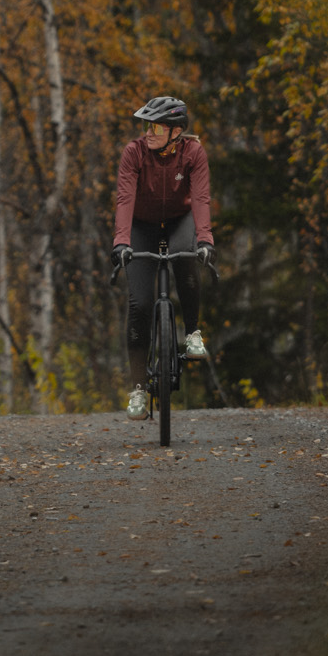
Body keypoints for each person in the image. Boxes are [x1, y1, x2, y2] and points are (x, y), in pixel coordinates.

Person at [112, 95, 214, 419]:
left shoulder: (193, 153)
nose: (148, 132)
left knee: (186, 258)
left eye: (155, 125)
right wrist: (121, 242)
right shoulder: (134, 152)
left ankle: (193, 333)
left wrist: (205, 240)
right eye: (146, 124)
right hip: (141, 226)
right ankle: (139, 390)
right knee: (139, 304)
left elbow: (200, 198)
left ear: (175, 131)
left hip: (178, 222)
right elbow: (125, 197)